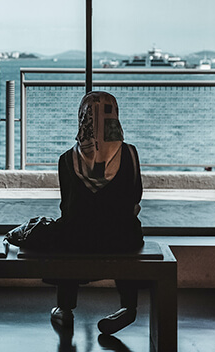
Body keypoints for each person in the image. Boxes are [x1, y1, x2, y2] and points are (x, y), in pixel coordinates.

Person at [46, 91, 145, 335]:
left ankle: (65, 308)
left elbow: (66, 204)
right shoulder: (130, 154)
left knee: (66, 232)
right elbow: (136, 196)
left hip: (78, 240)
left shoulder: (66, 159)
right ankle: (128, 307)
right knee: (128, 228)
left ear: (82, 117)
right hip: (121, 239)